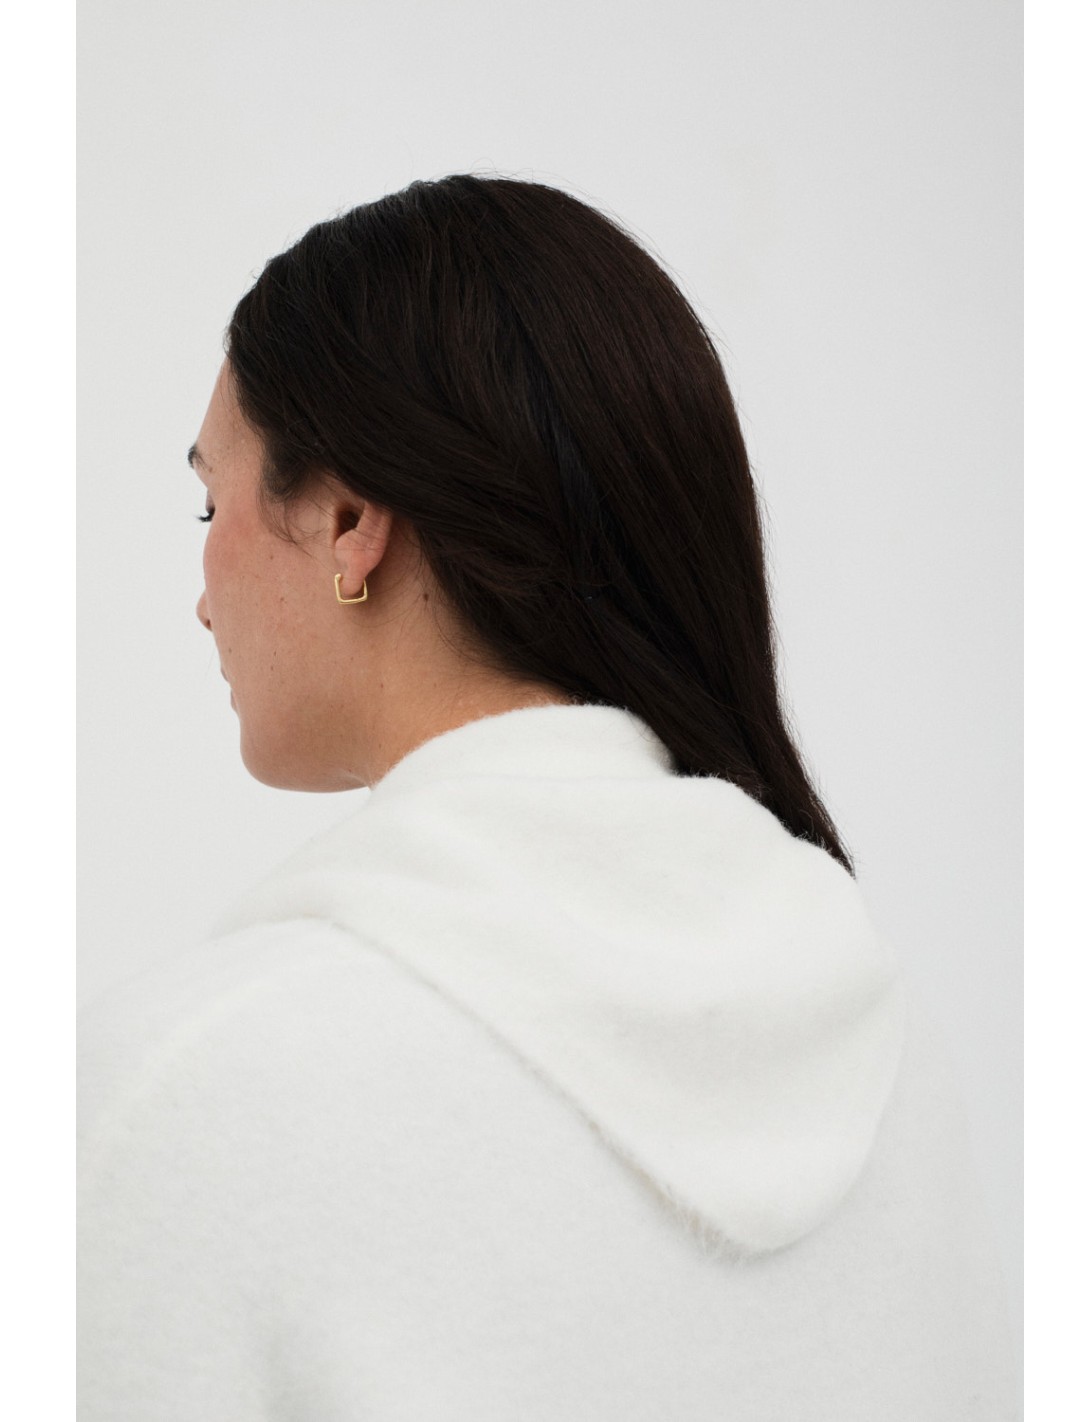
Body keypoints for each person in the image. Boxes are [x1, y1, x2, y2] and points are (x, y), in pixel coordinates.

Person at [76, 174, 1018, 1419]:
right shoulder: (892, 1062)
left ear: (350, 518)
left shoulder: (180, 1095)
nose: (202, 595)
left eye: (214, 500)